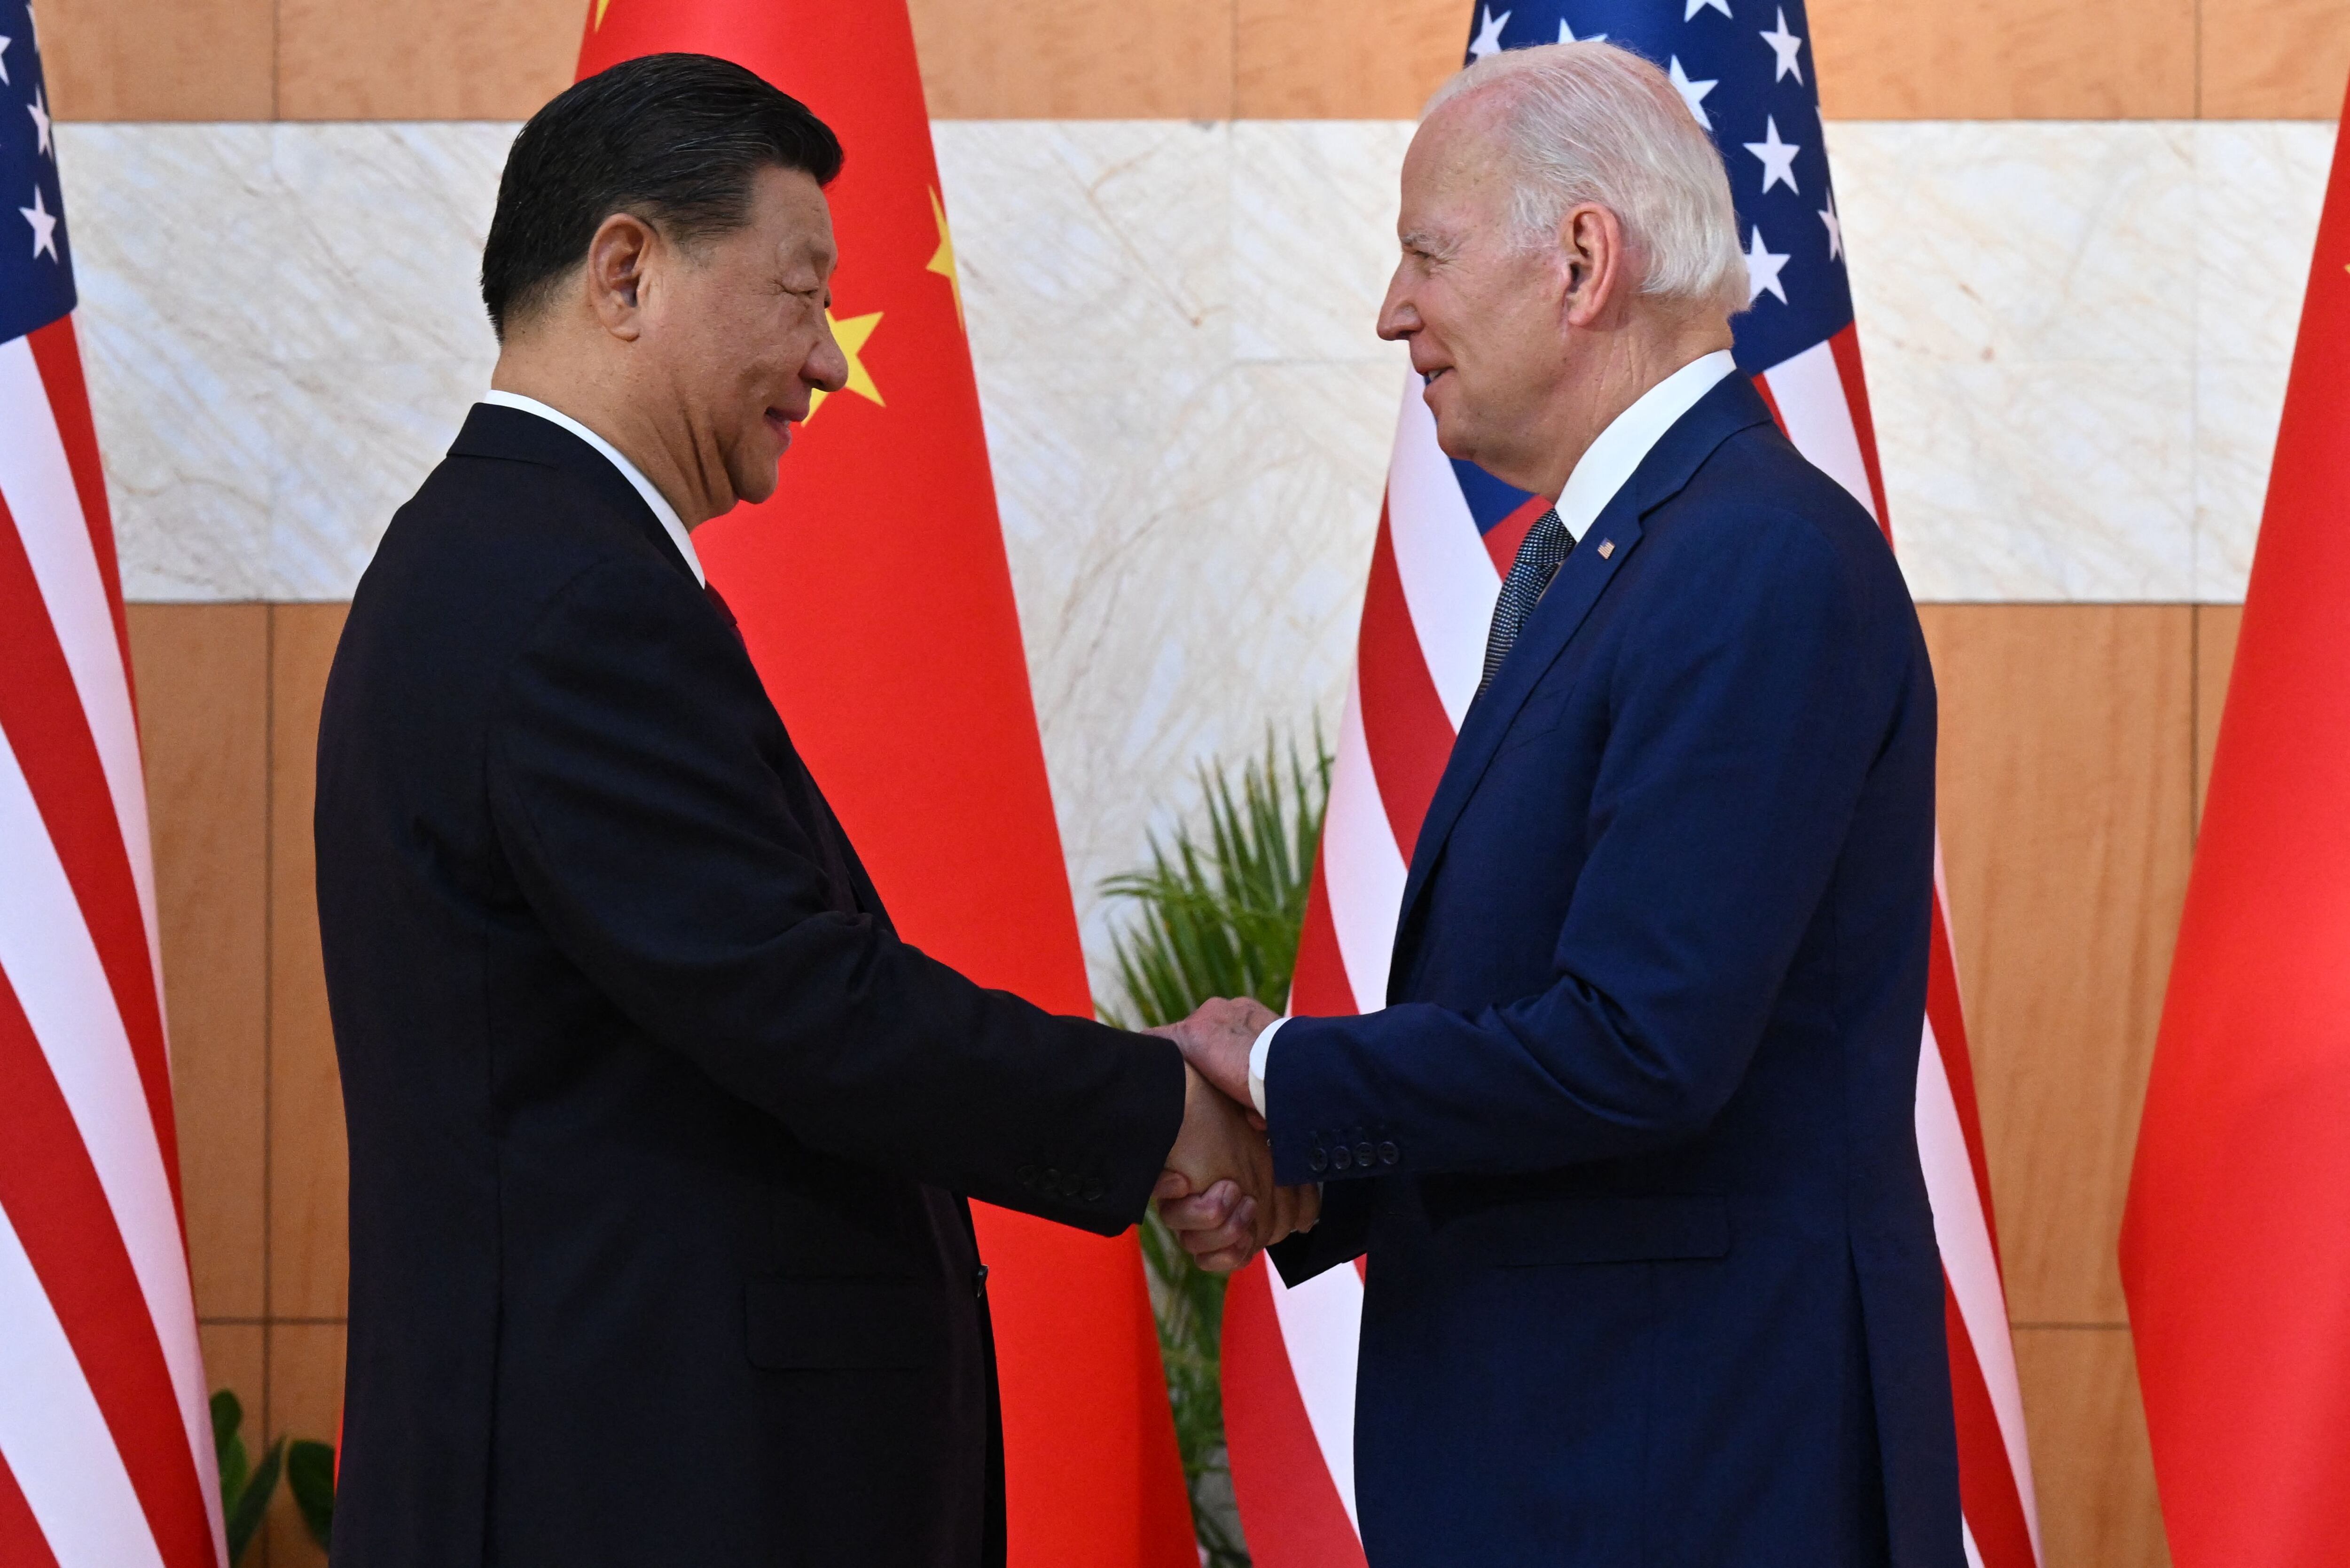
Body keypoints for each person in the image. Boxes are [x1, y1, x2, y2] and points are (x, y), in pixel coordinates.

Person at [313, 53, 1305, 1568]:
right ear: (628, 271)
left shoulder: (506, 560)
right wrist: (1158, 1105)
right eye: (798, 295)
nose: (834, 361)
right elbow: (804, 1005)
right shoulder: (568, 596)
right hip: (632, 1494)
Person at [1160, 41, 1963, 1568]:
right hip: (1594, 1461)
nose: (1394, 310)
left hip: (1691, 1478)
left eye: (1425, 254)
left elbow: (1643, 1048)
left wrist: (1280, 1077)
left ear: (1583, 260)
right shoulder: (1626, 560)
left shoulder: (1754, 565)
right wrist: (1314, 1173)